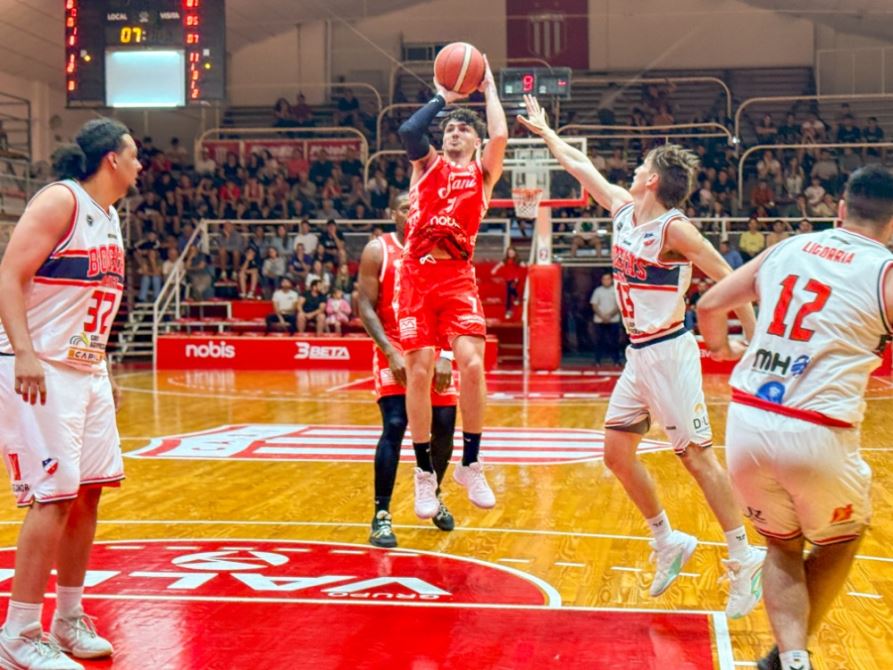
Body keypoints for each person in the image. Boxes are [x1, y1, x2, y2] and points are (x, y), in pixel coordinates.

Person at [517, 94, 765, 617]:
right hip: (639, 357)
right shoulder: (625, 210)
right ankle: (667, 540)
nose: (632, 170)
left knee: (696, 457)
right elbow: (581, 168)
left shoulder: (674, 228)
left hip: (669, 352)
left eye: (641, 166)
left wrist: (753, 338)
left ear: (653, 179)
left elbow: (730, 276)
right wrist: (546, 132)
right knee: (615, 453)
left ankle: (745, 556)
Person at [697, 165, 893, 670]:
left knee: (782, 545)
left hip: (748, 422)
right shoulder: (885, 271)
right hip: (818, 431)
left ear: (841, 208)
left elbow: (710, 304)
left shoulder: (789, 247)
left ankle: (789, 660)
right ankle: (793, 654)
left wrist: (721, 348)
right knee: (843, 537)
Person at [0, 117, 141, 669]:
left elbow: (88, 306)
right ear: (112, 159)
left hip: (85, 369)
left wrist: (103, 369)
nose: (140, 165)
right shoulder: (61, 201)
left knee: (88, 493)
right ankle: (18, 633)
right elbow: (9, 275)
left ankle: (67, 618)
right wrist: (25, 352)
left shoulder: (110, 216)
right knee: (54, 496)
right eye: (134, 155)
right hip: (41, 366)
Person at [396, 55, 507, 517]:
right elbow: (408, 130)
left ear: (476, 141)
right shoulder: (427, 165)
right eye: (450, 130)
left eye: (463, 130)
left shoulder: (482, 174)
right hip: (416, 276)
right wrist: (444, 97)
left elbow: (500, 136)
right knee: (420, 371)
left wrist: (489, 88)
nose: (454, 134)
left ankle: (471, 463)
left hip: (457, 276)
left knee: (473, 366)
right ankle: (424, 473)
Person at [357, 193, 459, 546]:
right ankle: (381, 515)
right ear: (393, 214)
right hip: (397, 350)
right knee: (396, 424)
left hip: (434, 348)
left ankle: (433, 493)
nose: (412, 213)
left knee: (444, 428)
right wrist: (389, 351)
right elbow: (365, 305)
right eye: (404, 208)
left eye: (417, 207)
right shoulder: (378, 250)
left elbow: (453, 305)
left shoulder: (442, 250)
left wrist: (447, 355)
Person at [590, 272, 621, 364]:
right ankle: (597, 361)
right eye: (604, 279)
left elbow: (619, 305)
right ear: (601, 280)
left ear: (611, 280)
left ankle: (616, 361)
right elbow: (594, 305)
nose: (606, 281)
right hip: (599, 321)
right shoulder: (597, 291)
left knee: (614, 342)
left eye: (608, 279)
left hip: (614, 320)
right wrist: (602, 316)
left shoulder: (616, 290)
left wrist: (609, 316)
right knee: (599, 341)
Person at [491, 246, 525, 319]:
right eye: (509, 253)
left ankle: (510, 307)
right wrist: (494, 270)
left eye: (512, 252)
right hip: (508, 279)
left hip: (516, 279)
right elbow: (499, 265)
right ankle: (509, 308)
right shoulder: (505, 260)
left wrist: (518, 276)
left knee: (510, 289)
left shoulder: (518, 260)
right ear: (507, 253)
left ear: (515, 253)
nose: (511, 254)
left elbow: (523, 267)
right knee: (508, 294)